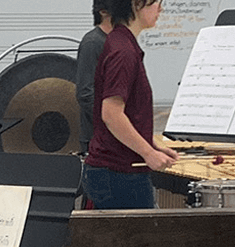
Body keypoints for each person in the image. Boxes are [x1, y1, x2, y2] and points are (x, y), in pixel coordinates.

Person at [82, 0, 178, 209]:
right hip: (118, 174)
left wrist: (152, 145)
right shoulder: (123, 51)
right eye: (156, 3)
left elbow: (129, 113)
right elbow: (112, 114)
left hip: (117, 171)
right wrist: (149, 154)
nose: (160, 9)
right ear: (136, 4)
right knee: (137, 242)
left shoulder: (121, 42)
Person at [75, 0, 113, 154]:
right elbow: (86, 94)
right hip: (99, 140)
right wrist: (116, 122)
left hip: (120, 137)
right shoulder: (93, 43)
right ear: (103, 11)